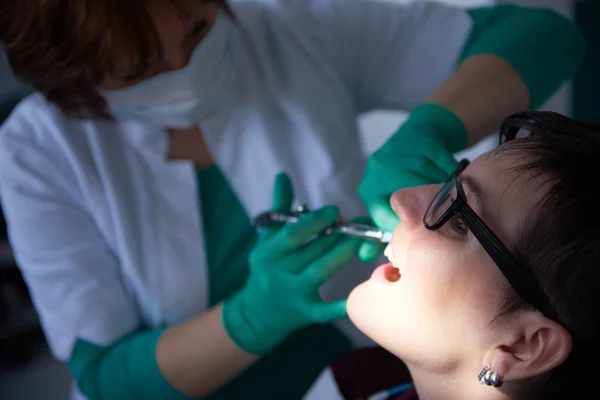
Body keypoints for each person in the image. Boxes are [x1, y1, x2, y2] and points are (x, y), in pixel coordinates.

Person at [0, 0, 585, 399]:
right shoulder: (37, 152)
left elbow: (546, 35)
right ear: (73, 77)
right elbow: (106, 378)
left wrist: (427, 130)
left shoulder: (286, 27)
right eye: (139, 68)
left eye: (200, 29)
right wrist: (252, 317)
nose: (183, 68)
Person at [313, 110, 600, 400]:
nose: (401, 199)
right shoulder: (355, 379)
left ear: (523, 346)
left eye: (459, 222)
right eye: (452, 181)